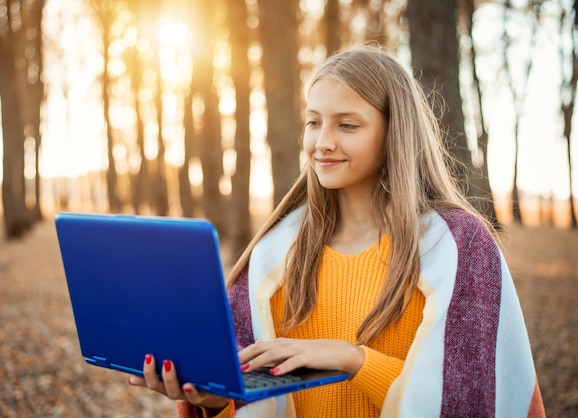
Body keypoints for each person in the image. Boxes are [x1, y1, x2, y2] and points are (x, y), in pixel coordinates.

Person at [128, 45, 545, 417]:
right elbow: (243, 390)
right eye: (314, 122)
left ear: (394, 133)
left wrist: (353, 360)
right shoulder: (274, 253)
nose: (322, 142)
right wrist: (213, 401)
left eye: (347, 125)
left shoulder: (458, 247)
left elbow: (472, 402)